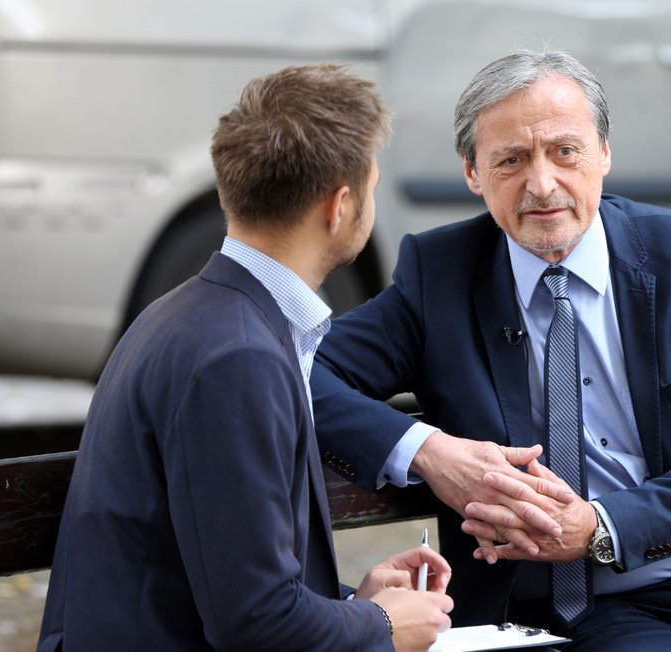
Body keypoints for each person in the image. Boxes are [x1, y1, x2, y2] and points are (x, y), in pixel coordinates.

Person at [311, 49, 671, 650]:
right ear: (472, 173)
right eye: (510, 160)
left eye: (564, 152)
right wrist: (430, 451)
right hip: (596, 607)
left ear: (604, 155)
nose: (542, 184)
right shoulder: (438, 277)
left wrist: (599, 527)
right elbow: (297, 371)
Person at [38, 64, 453, 652]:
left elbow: (229, 584)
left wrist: (354, 605)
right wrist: (383, 626)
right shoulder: (238, 357)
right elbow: (256, 624)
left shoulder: (189, 316)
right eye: (374, 184)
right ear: (338, 205)